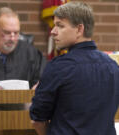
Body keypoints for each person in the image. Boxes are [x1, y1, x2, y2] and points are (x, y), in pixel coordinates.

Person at [30, 2, 119, 135]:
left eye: (60, 26)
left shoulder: (58, 67)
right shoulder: (113, 67)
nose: (53, 31)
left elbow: (37, 120)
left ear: (79, 29)